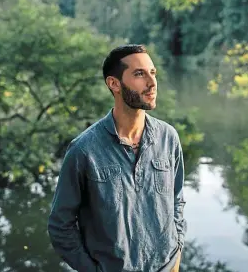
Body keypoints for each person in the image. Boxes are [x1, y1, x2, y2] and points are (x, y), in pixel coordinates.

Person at [48, 44, 187, 272]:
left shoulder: (168, 138)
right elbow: (60, 225)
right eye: (139, 74)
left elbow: (177, 200)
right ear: (114, 84)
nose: (152, 83)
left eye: (153, 73)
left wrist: (177, 251)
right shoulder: (83, 150)